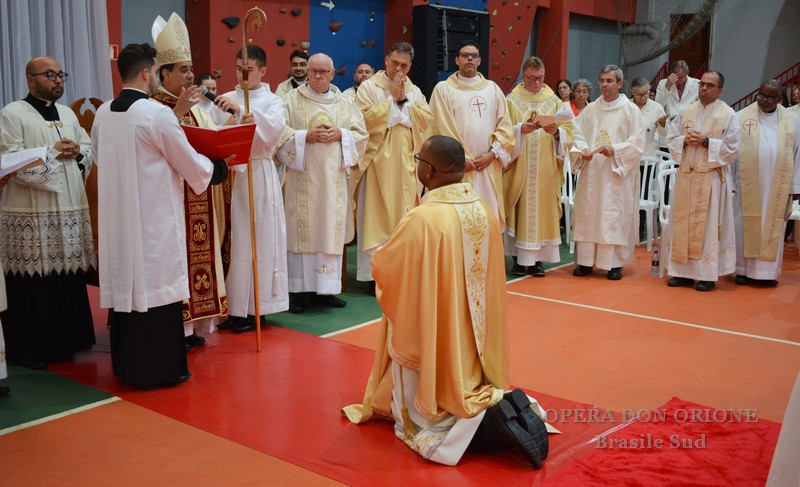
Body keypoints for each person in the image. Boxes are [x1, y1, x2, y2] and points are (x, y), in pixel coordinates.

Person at [342, 135, 549, 468]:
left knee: (424, 398)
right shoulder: (483, 210)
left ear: (428, 171)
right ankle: (485, 404)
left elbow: (385, 267)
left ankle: (466, 420)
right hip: (475, 337)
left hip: (436, 331)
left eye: (418, 161)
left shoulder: (424, 219)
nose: (417, 166)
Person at [91, 43, 230, 390]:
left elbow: (97, 158)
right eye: (156, 71)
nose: (156, 77)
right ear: (146, 73)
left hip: (118, 221)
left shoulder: (104, 113)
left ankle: (126, 365)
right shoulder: (155, 114)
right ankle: (160, 370)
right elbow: (187, 161)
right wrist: (216, 169)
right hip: (152, 222)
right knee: (156, 290)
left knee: (129, 288)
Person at [0, 56, 96, 368]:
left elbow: (88, 149)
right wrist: (51, 154)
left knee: (66, 275)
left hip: (67, 206)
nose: (58, 81)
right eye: (50, 75)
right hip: (31, 208)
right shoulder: (13, 114)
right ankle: (31, 347)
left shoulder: (68, 114)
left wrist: (79, 151)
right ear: (31, 79)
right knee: (31, 279)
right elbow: (8, 159)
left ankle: (68, 340)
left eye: (61, 75)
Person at [151, 13, 228, 350]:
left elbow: (209, 141)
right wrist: (177, 111)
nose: (189, 75)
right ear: (162, 73)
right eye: (181, 69)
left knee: (198, 256)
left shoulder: (197, 106)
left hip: (197, 196)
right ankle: (175, 327)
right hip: (170, 201)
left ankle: (194, 325)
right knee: (176, 259)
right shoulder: (153, 107)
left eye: (190, 68)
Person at [275, 53, 368, 313]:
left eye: (322, 72)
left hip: (332, 182)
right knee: (300, 231)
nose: (316, 75)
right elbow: (279, 133)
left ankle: (326, 290)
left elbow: (362, 135)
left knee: (329, 229)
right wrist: (305, 136)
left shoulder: (346, 102)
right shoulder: (291, 100)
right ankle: (298, 292)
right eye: (313, 71)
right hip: (301, 180)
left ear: (332, 73)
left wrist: (342, 134)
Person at [214, 45, 289, 333]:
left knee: (257, 240)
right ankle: (234, 308)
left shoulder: (273, 101)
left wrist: (243, 113)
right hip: (229, 176)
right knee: (234, 242)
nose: (242, 75)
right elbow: (216, 132)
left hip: (257, 172)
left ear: (262, 71)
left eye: (248, 70)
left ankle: (258, 308)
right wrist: (230, 118)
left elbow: (272, 132)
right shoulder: (226, 98)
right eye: (238, 69)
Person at [352, 42, 433, 296]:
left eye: (405, 65)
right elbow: (361, 119)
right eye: (395, 63)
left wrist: (403, 105)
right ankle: (372, 275)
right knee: (375, 215)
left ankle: (401, 272)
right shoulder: (369, 87)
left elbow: (426, 119)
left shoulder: (415, 90)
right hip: (377, 162)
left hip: (407, 161)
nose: (399, 69)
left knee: (404, 218)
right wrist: (394, 104)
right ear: (386, 60)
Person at [662, 71, 740, 292]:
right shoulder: (687, 111)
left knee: (706, 228)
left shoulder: (729, 115)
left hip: (710, 179)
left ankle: (706, 274)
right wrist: (684, 140)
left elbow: (733, 149)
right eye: (702, 85)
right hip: (687, 175)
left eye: (709, 86)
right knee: (682, 223)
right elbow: (671, 139)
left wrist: (707, 142)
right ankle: (681, 272)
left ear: (720, 90)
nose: (704, 89)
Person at [569, 65, 645, 280]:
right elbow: (578, 133)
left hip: (615, 173)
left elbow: (637, 143)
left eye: (610, 81)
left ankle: (613, 264)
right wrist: (583, 149)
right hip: (592, 171)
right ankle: (585, 262)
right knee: (589, 214)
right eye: (602, 80)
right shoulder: (591, 109)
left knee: (613, 214)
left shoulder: (630, 111)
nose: (604, 84)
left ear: (620, 84)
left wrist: (616, 150)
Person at [429, 40, 514, 229]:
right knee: (457, 223)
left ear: (479, 61)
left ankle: (486, 259)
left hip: (487, 167)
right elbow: (440, 128)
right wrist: (460, 160)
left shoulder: (493, 89)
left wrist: (492, 155)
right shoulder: (443, 89)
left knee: (487, 218)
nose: (469, 58)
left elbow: (506, 128)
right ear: (457, 60)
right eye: (465, 55)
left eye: (474, 55)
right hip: (457, 169)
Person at [503, 57, 573, 276]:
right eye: (531, 78)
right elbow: (502, 129)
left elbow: (570, 131)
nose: (536, 82)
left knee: (542, 211)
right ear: (524, 76)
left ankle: (537, 262)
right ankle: (517, 259)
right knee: (518, 211)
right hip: (520, 165)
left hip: (545, 168)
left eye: (540, 78)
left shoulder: (553, 100)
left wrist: (557, 134)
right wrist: (518, 130)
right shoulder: (511, 100)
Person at [732, 80, 800, 287]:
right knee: (742, 225)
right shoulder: (741, 117)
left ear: (780, 99)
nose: (764, 100)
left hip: (777, 185)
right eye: (761, 95)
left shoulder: (792, 120)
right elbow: (732, 152)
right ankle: (741, 270)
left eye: (771, 97)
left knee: (772, 226)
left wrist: (795, 187)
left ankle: (766, 273)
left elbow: (798, 154)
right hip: (746, 184)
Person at [630, 77, 668, 157]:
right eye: (640, 95)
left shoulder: (656, 107)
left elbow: (664, 133)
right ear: (633, 92)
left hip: (648, 155)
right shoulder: (626, 106)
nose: (644, 97)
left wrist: (662, 124)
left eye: (646, 93)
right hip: (629, 155)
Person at [655, 60, 700, 127]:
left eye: (681, 77)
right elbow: (658, 105)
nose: (678, 80)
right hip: (669, 123)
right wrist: (667, 87)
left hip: (689, 123)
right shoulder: (663, 83)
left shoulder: (697, 84)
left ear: (687, 72)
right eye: (676, 77)